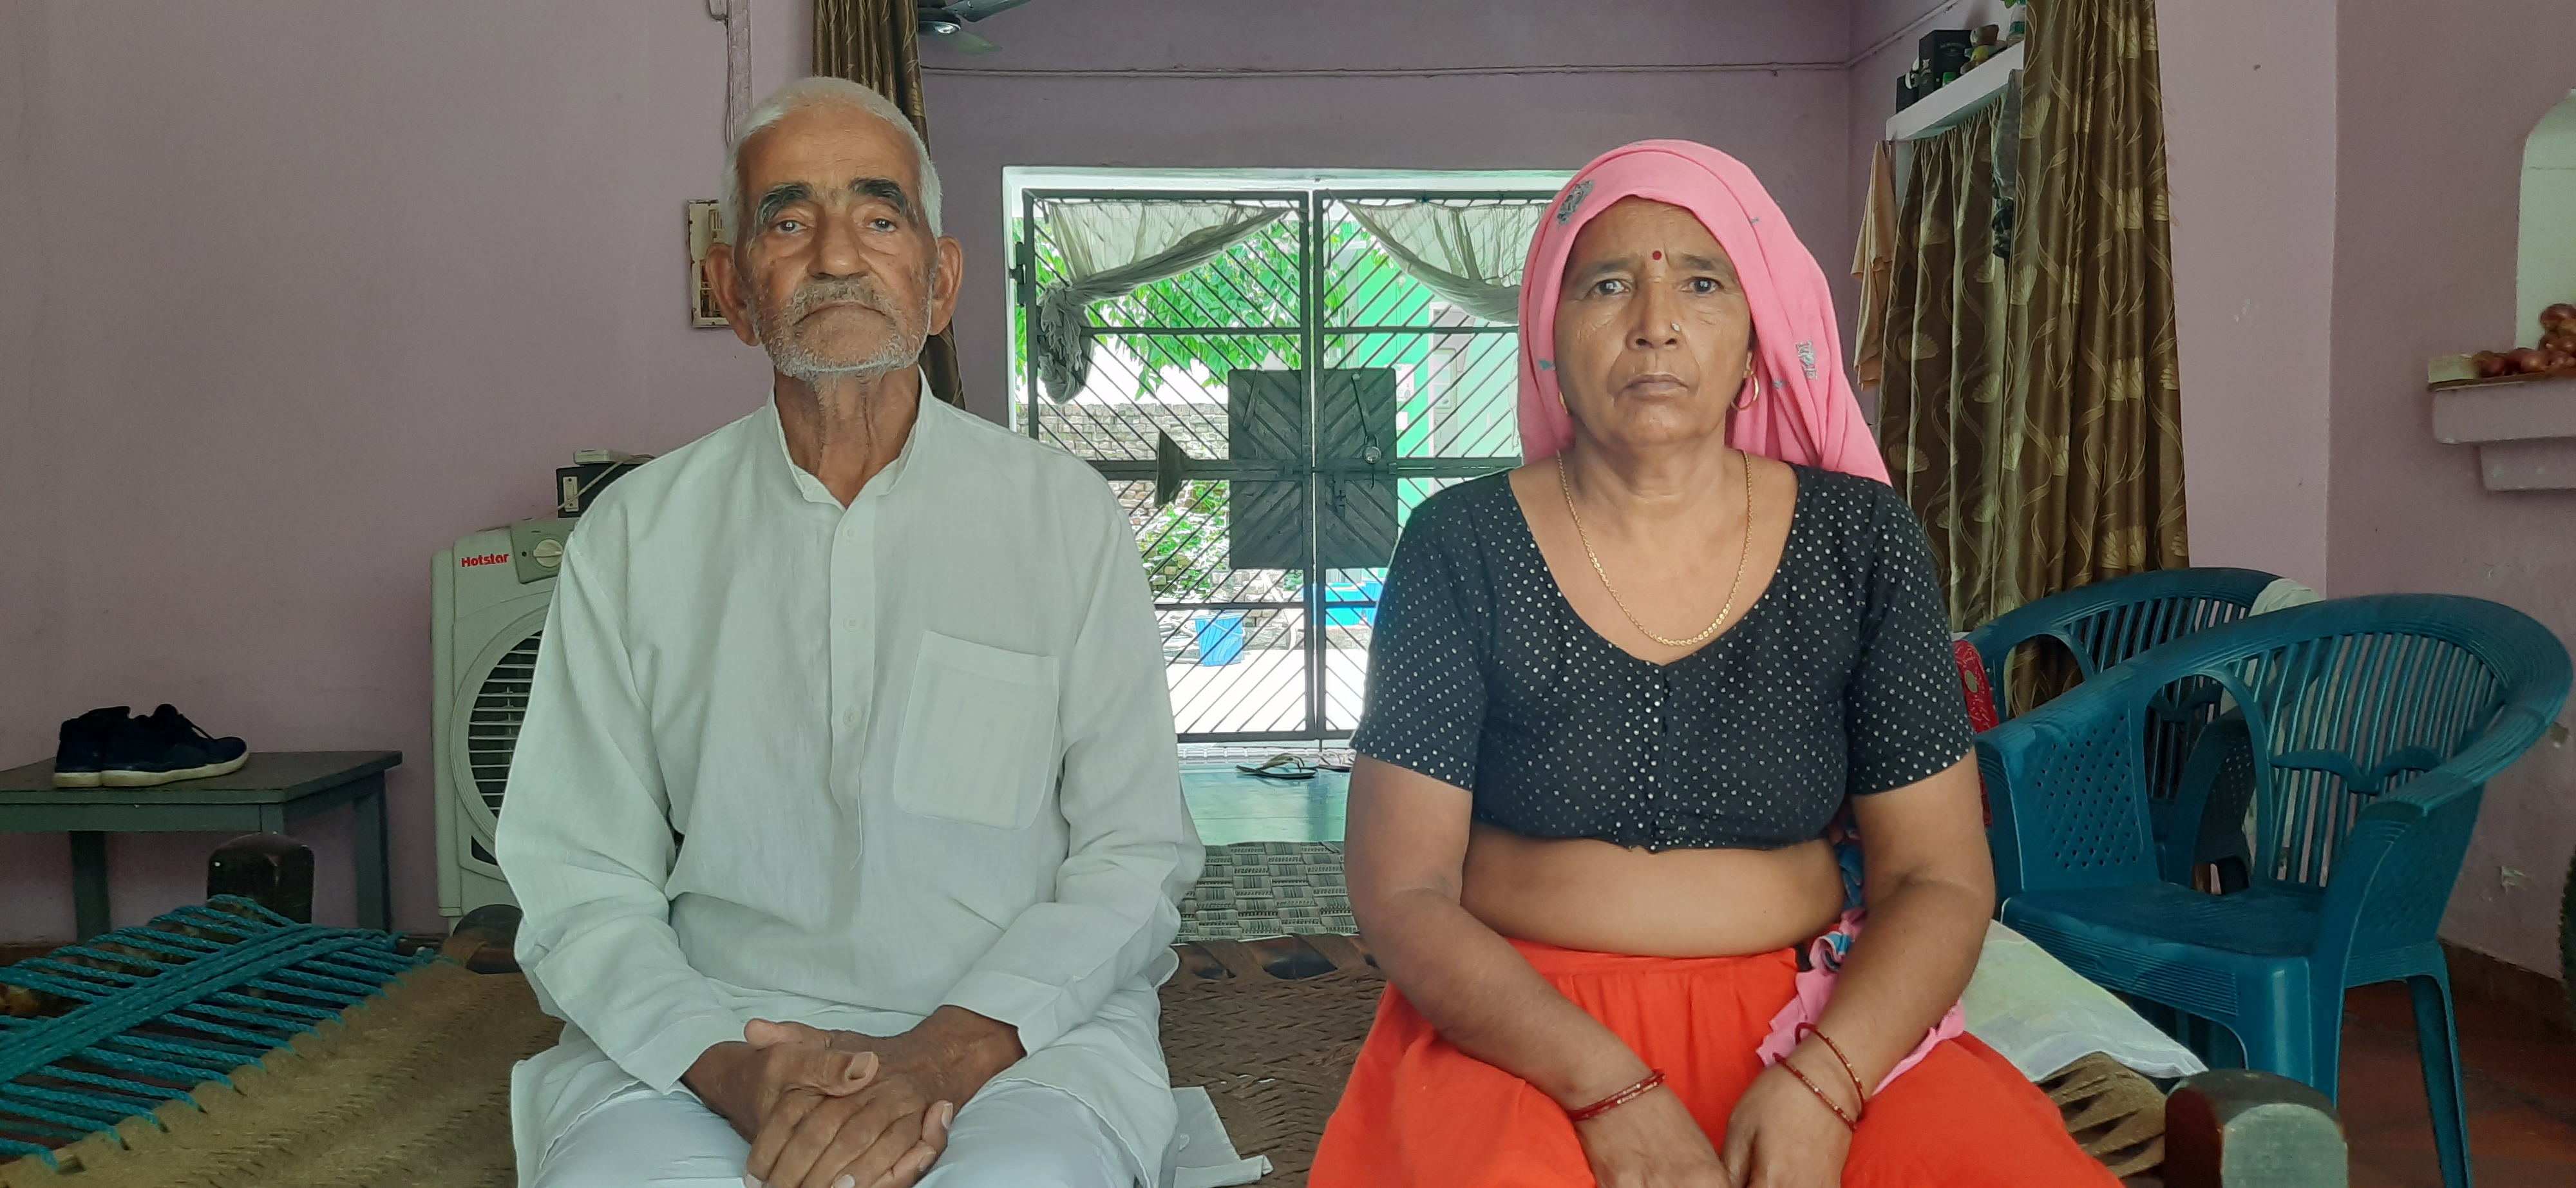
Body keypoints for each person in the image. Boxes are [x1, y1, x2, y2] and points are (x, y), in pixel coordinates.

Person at [1308, 141, 2119, 1187]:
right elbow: (1403, 891)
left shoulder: (1860, 544)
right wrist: (1608, 1088)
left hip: (1811, 1016)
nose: (1655, 322)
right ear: (1550, 334)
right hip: (1518, 1025)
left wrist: (1828, 1081)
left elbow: (1937, 877)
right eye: (1609, 285)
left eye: (1701, 281)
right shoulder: (1461, 545)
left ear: (1757, 338)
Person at [497, 76, 1201, 1188]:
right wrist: (735, 1071)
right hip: (713, 1037)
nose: (835, 258)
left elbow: (1132, 853)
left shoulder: (1060, 518)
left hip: (1011, 1040)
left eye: (880, 219)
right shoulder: (636, 536)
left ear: (940, 283)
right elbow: (578, 875)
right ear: (732, 291)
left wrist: (941, 1056)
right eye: (788, 221)